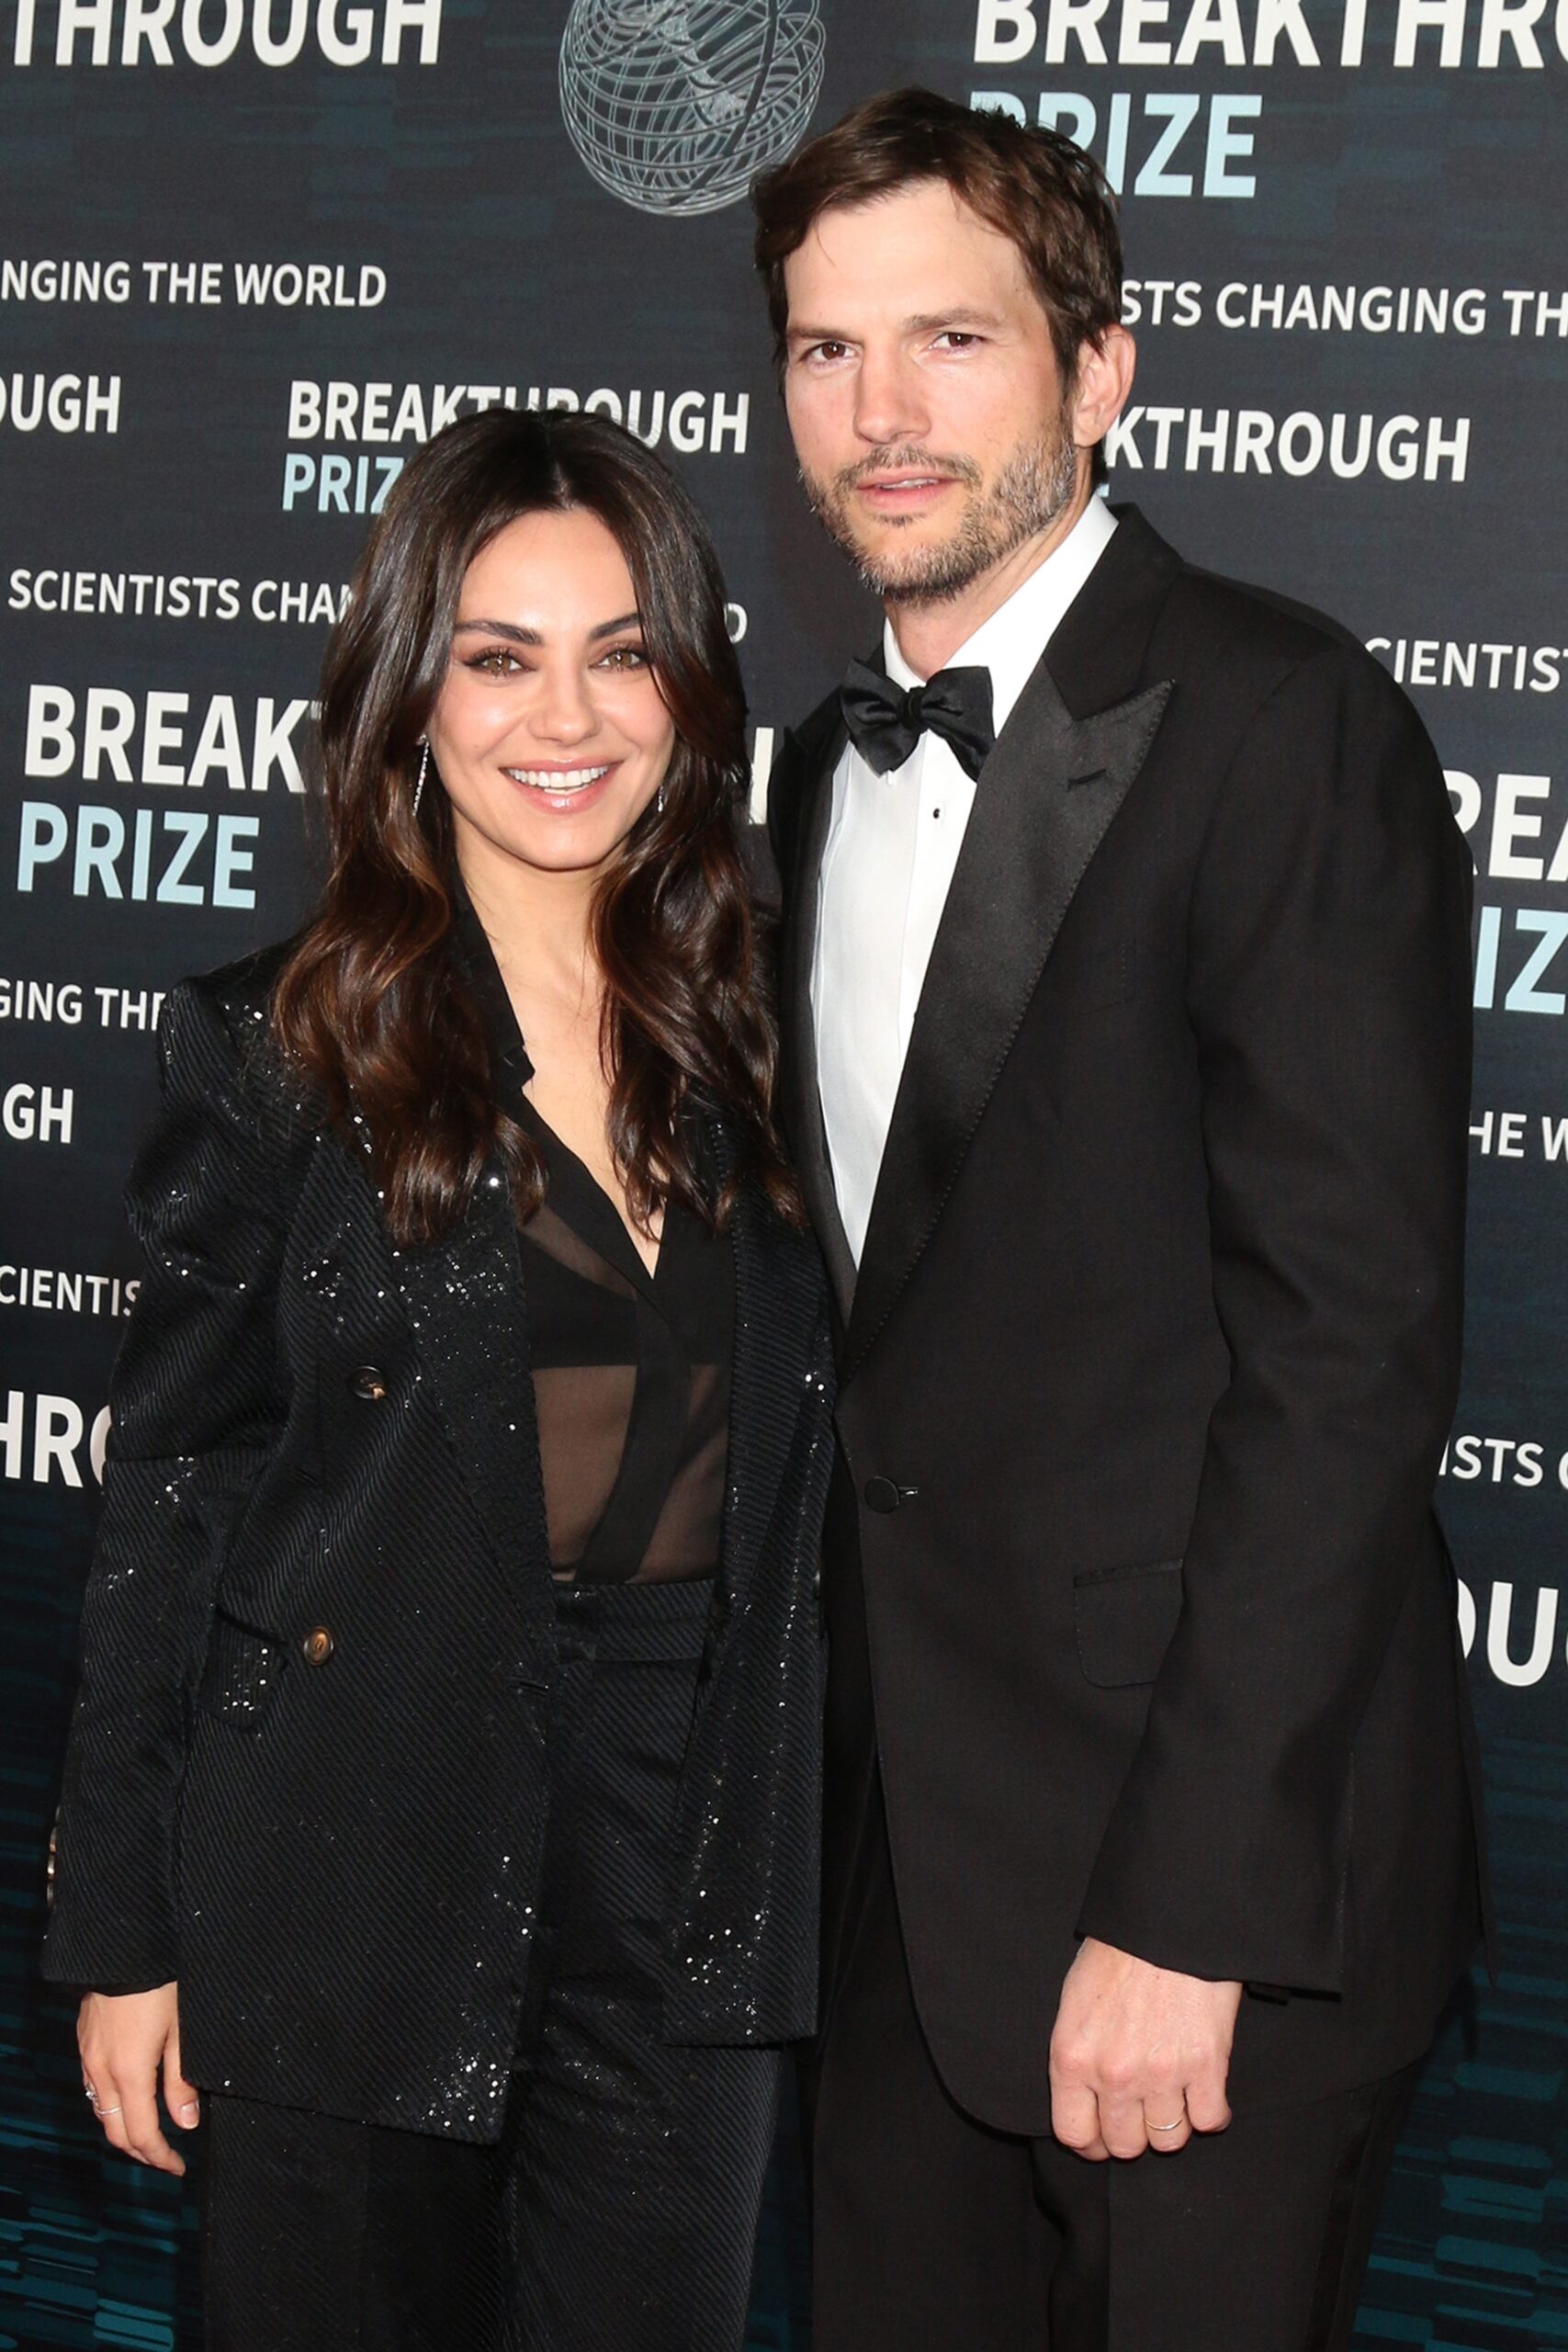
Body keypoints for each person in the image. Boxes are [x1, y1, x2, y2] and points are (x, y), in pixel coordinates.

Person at [752, 86, 1483, 2352]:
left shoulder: (1282, 720)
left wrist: (1185, 1913)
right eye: (823, 348)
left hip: (1199, 1912)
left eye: (949, 340)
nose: (879, 412)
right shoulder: (812, 766)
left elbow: (1342, 1358)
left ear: (1098, 372)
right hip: (897, 1888)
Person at [43, 406, 832, 2352]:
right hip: (349, 1841)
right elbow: (171, 1501)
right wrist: (122, 1932)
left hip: (689, 1877)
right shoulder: (281, 1046)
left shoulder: (776, 1028)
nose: (564, 715)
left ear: (687, 687)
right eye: (497, 656)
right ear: (411, 699)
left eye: (619, 651)